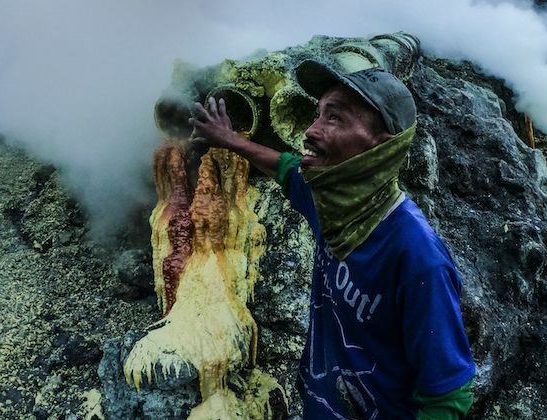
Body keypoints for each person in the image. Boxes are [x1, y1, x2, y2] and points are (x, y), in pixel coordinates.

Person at [189, 59, 476, 419]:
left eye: (335, 118)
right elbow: (286, 169)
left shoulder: (418, 256)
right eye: (317, 114)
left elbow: (449, 396)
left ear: (381, 145)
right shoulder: (329, 201)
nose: (310, 131)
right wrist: (229, 140)